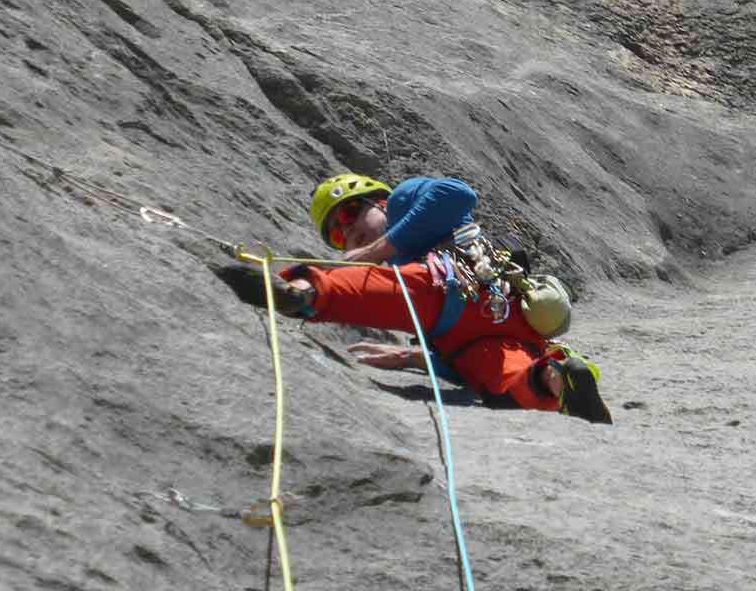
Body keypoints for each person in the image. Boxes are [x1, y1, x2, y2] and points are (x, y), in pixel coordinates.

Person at [214, 260, 611, 424]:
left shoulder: (410, 213)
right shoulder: (524, 326)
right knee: (513, 377)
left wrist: (374, 247)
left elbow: (454, 194)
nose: (347, 235)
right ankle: (555, 379)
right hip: (470, 331)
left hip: (441, 295)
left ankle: (298, 294)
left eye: (347, 222)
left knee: (340, 290)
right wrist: (409, 357)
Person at [309, 173, 480, 265]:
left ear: (380, 202)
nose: (347, 231)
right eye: (338, 237)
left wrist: (377, 250)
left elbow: (460, 194)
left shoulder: (400, 202)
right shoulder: (396, 269)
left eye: (348, 214)